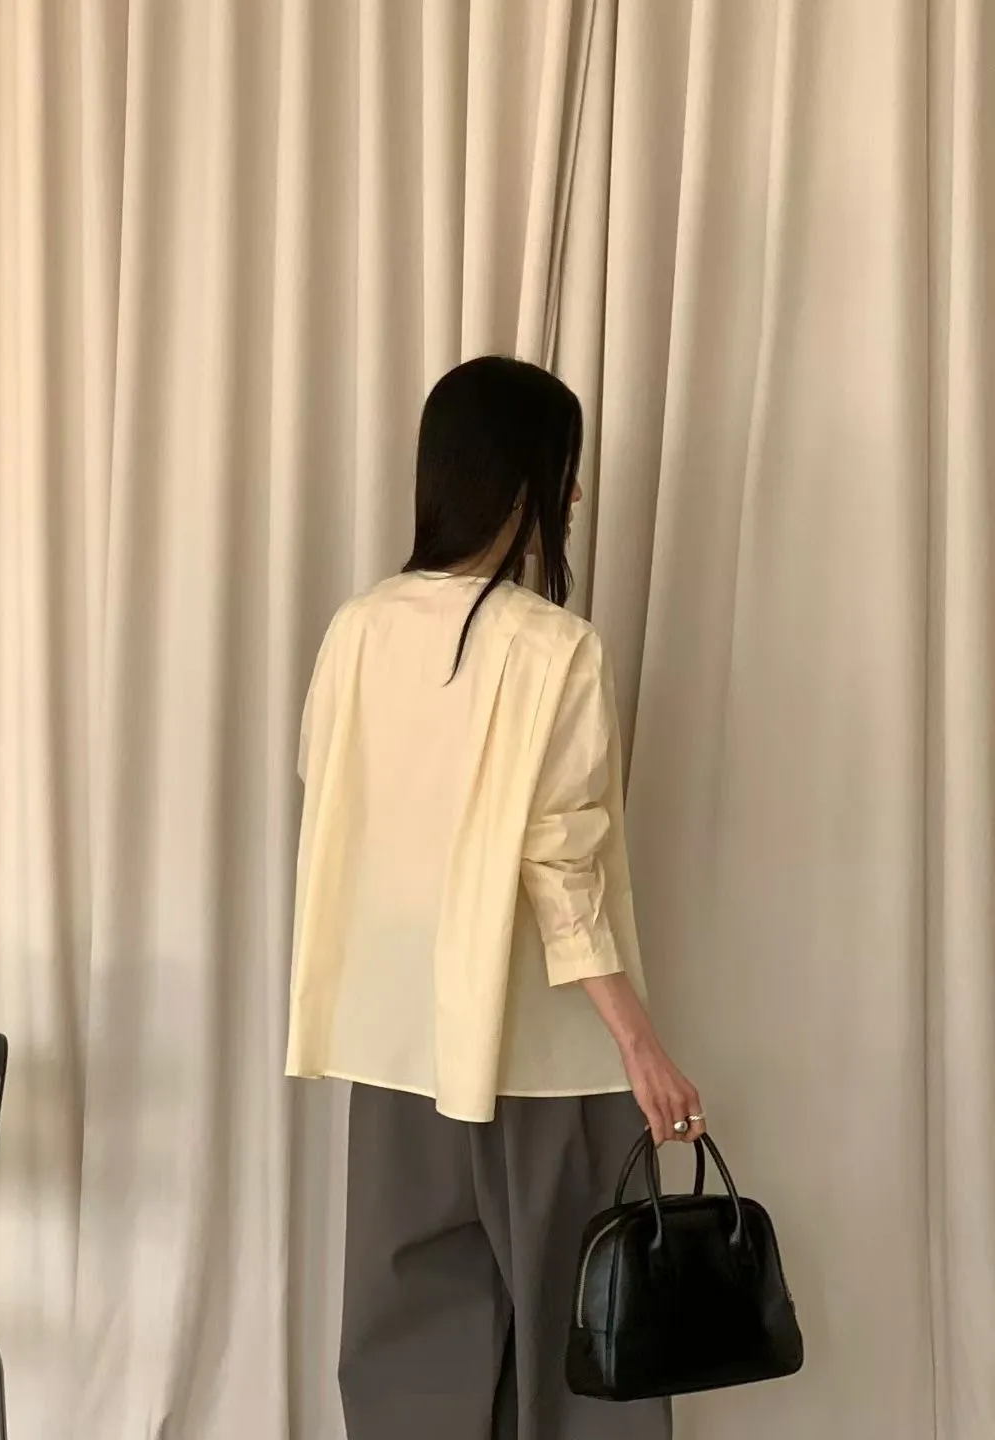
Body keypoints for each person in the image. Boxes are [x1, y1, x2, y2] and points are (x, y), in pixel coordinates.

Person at [286, 356, 705, 1440]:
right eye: (565, 470)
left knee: (409, 1346)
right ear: (520, 481)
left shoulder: (356, 629)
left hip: (398, 1045)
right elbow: (562, 869)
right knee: (584, 1337)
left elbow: (332, 800)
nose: (576, 494)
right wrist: (641, 1045)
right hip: (542, 1055)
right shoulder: (555, 649)